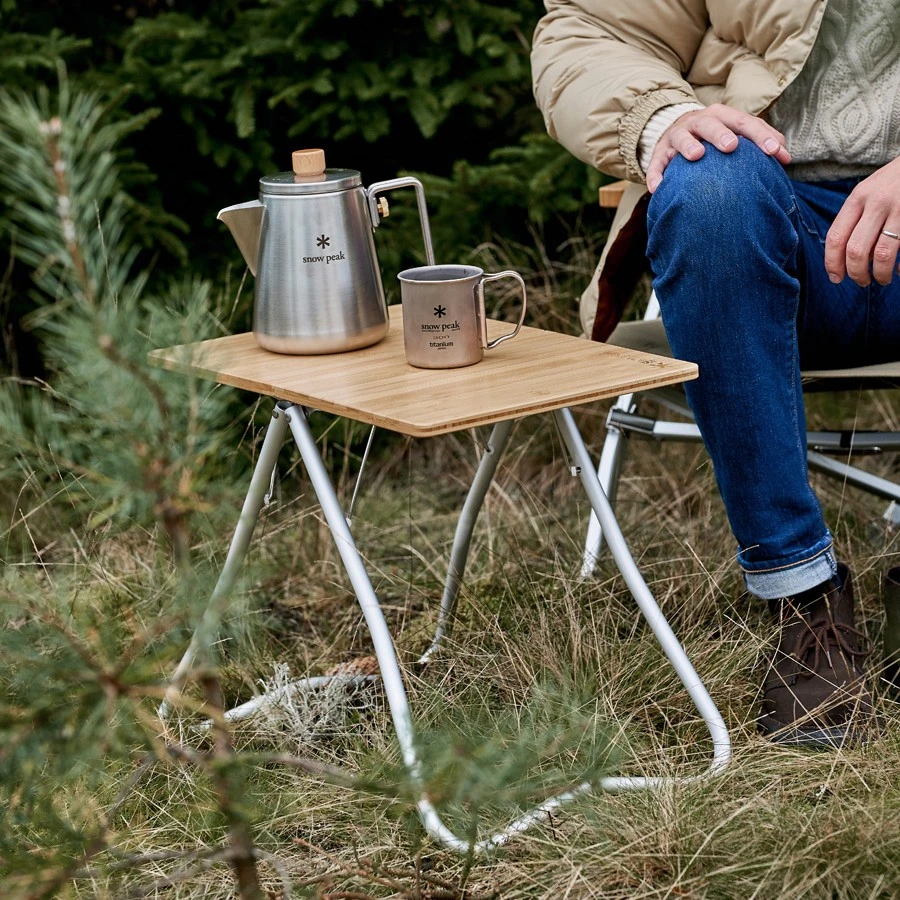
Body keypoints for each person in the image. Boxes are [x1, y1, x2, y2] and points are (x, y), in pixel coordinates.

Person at [531, 0, 900, 746]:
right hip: (769, 227)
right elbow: (590, 28)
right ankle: (804, 600)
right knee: (709, 181)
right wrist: (658, 116)